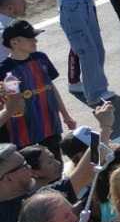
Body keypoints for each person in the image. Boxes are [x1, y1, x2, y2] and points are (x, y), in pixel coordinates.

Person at [0, 22, 74, 151]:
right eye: (29, 38)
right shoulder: (4, 70)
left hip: (50, 124)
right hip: (23, 133)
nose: (35, 40)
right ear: (14, 43)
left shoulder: (41, 58)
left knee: (55, 162)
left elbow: (51, 88)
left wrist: (66, 115)